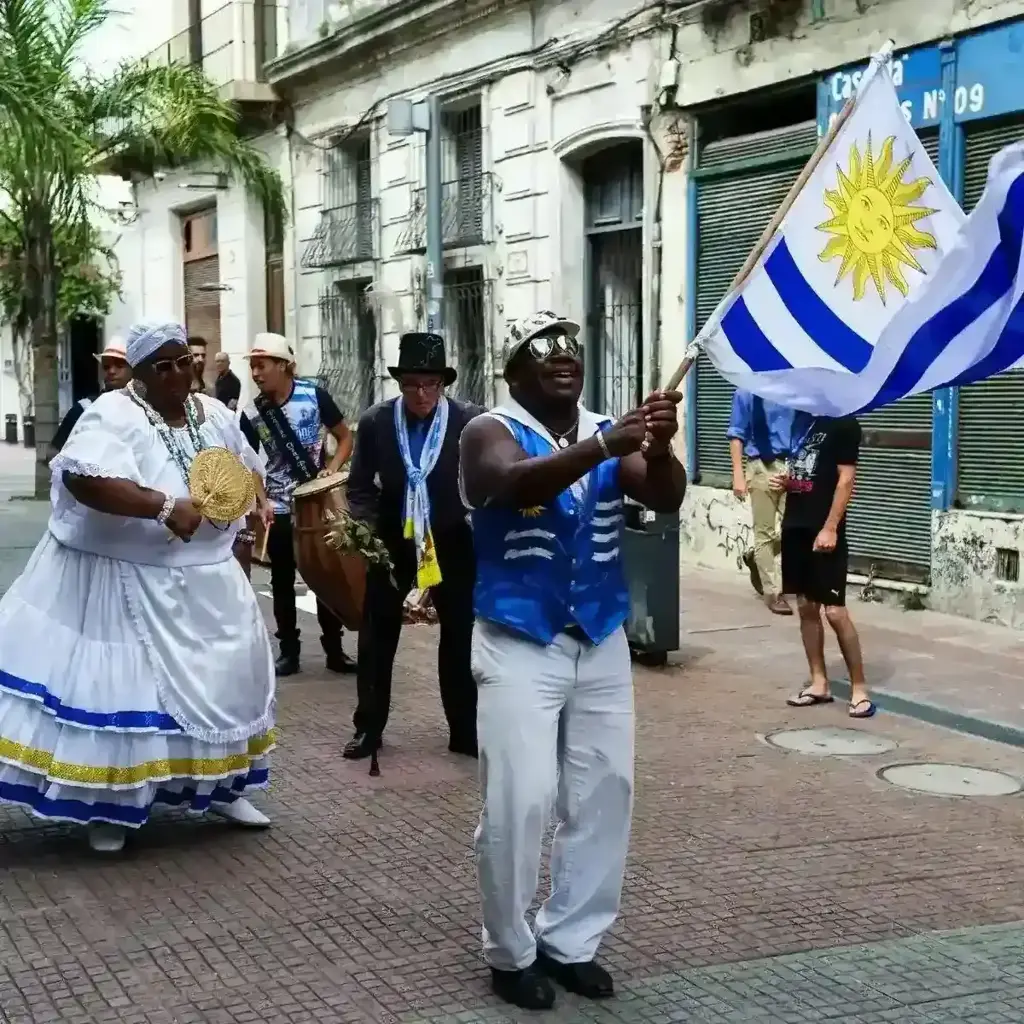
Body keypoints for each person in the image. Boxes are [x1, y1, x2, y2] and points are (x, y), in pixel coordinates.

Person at [460, 310, 687, 1011]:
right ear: (515, 369)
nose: (564, 356)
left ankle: (571, 941)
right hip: (519, 640)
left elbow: (663, 494)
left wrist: (661, 447)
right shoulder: (487, 430)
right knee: (521, 799)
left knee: (605, 792)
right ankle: (510, 951)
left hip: (601, 636)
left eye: (572, 347)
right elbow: (512, 484)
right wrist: (603, 444)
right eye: (544, 348)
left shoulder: (602, 427)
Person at [0, 319, 276, 854]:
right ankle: (110, 807)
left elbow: (243, 465)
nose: (177, 374)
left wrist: (255, 504)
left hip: (210, 576)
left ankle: (221, 786)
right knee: (120, 688)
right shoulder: (113, 413)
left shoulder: (214, 412)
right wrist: (163, 506)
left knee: (229, 680)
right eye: (162, 366)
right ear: (141, 374)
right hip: (126, 578)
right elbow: (83, 478)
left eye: (183, 363)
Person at [344, 332, 481, 761]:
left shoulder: (469, 421)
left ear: (443, 384)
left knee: (460, 636)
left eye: (430, 385)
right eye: (412, 385)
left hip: (452, 540)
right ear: (400, 384)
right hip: (392, 538)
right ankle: (369, 728)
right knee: (377, 634)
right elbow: (360, 485)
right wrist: (365, 532)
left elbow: (486, 481)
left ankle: (464, 730)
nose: (421, 394)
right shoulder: (376, 422)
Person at [238, 333, 356, 677]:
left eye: (262, 366)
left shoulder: (314, 396)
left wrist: (331, 470)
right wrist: (261, 503)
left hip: (317, 505)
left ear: (283, 365)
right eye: (252, 367)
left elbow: (344, 436)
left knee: (326, 574)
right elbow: (248, 464)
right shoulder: (252, 413)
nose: (256, 374)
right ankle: (289, 651)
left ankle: (334, 650)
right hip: (279, 508)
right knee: (282, 583)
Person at [776, 415, 875, 719]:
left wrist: (831, 526)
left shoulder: (844, 423)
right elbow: (809, 477)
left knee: (834, 610)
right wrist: (788, 483)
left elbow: (846, 480)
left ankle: (859, 689)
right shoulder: (802, 424)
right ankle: (819, 682)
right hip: (795, 525)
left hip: (824, 528)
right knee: (806, 606)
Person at [727, 389, 800, 615]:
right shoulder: (746, 391)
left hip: (794, 468)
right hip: (760, 467)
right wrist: (738, 474)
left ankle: (755, 557)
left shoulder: (797, 390)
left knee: (797, 529)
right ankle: (772, 593)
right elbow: (736, 433)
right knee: (764, 533)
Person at [48, 339, 132, 458]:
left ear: (133, 370)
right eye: (106, 367)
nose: (112, 371)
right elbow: (53, 452)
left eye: (119, 365)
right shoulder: (84, 408)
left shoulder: (145, 409)